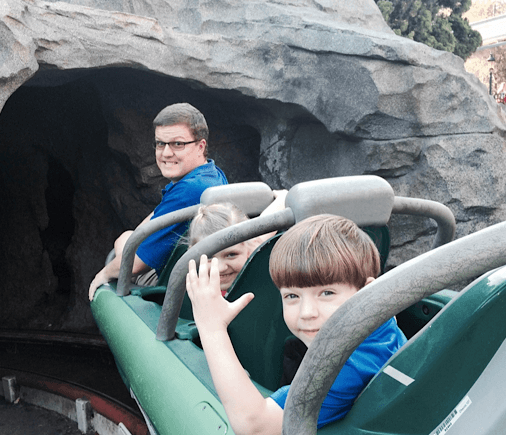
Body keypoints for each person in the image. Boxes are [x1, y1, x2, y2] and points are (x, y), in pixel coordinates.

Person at [186, 215, 407, 434]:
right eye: (292, 296)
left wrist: (212, 328)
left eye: (326, 293)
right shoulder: (383, 325)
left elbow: (256, 426)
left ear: (367, 292)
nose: (306, 313)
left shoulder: (345, 368)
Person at [89, 103, 228, 300]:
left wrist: (102, 274)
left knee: (124, 245)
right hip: (190, 274)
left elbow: (135, 265)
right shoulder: (211, 174)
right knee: (128, 238)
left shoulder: (191, 189)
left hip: (177, 287)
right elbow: (155, 218)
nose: (166, 153)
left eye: (177, 144)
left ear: (200, 146)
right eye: (160, 143)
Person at [186, 192, 287, 296]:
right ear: (191, 255)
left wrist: (283, 197)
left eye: (231, 255)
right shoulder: (190, 292)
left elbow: (267, 223)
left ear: (250, 249)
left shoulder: (253, 247)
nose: (220, 268)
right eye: (209, 257)